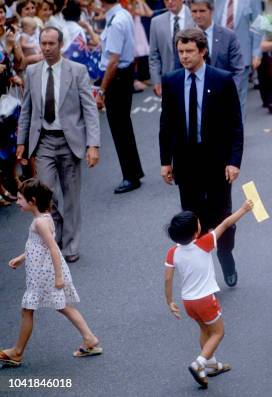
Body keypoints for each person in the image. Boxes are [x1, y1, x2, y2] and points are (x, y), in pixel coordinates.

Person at [159, 28, 244, 287]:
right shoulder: (172, 81)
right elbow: (167, 124)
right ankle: (202, 272)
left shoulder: (222, 80)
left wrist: (234, 161)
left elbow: (235, 125)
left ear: (202, 51)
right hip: (187, 163)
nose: (184, 56)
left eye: (189, 51)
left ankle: (225, 253)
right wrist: (165, 162)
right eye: (180, 51)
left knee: (222, 215)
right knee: (193, 219)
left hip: (217, 161)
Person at [16, 26, 101, 264]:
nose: (46, 48)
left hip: (70, 141)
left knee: (71, 197)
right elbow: (26, 110)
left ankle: (71, 245)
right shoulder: (32, 72)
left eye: (51, 44)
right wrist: (21, 141)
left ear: (60, 45)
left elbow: (89, 109)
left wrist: (93, 144)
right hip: (43, 142)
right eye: (43, 43)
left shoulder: (77, 71)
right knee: (45, 195)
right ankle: (57, 232)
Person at [0, 179, 102, 368]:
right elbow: (39, 246)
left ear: (32, 201)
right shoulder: (45, 218)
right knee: (63, 305)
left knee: (27, 309)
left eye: (20, 199)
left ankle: (17, 352)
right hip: (44, 270)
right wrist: (22, 258)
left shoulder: (39, 223)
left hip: (43, 273)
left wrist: (59, 277)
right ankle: (90, 339)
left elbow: (54, 249)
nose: (17, 202)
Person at [164, 201, 253, 388]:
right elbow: (226, 224)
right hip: (205, 300)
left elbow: (168, 279)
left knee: (205, 330)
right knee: (218, 332)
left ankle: (211, 365)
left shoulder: (172, 252)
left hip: (188, 302)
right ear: (196, 232)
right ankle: (199, 364)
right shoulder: (204, 243)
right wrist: (244, 209)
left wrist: (170, 301)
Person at [97, 0, 144, 194]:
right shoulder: (121, 14)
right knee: (123, 126)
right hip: (123, 74)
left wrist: (102, 90)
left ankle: (131, 176)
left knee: (119, 128)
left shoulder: (116, 20)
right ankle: (134, 172)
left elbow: (113, 60)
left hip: (117, 77)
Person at [214, 0, 262, 122]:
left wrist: (256, 52)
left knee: (239, 95)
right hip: (219, 54)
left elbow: (258, 25)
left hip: (242, 55)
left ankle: (237, 131)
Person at [189, 0, 243, 87]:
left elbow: (237, 69)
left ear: (212, 11)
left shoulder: (228, 36)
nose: (198, 15)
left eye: (202, 11)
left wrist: (231, 91)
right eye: (194, 11)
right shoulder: (184, 36)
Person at [149, 0, 194, 97]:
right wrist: (156, 80)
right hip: (169, 81)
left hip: (195, 79)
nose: (169, 1)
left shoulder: (196, 17)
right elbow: (154, 55)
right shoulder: (156, 22)